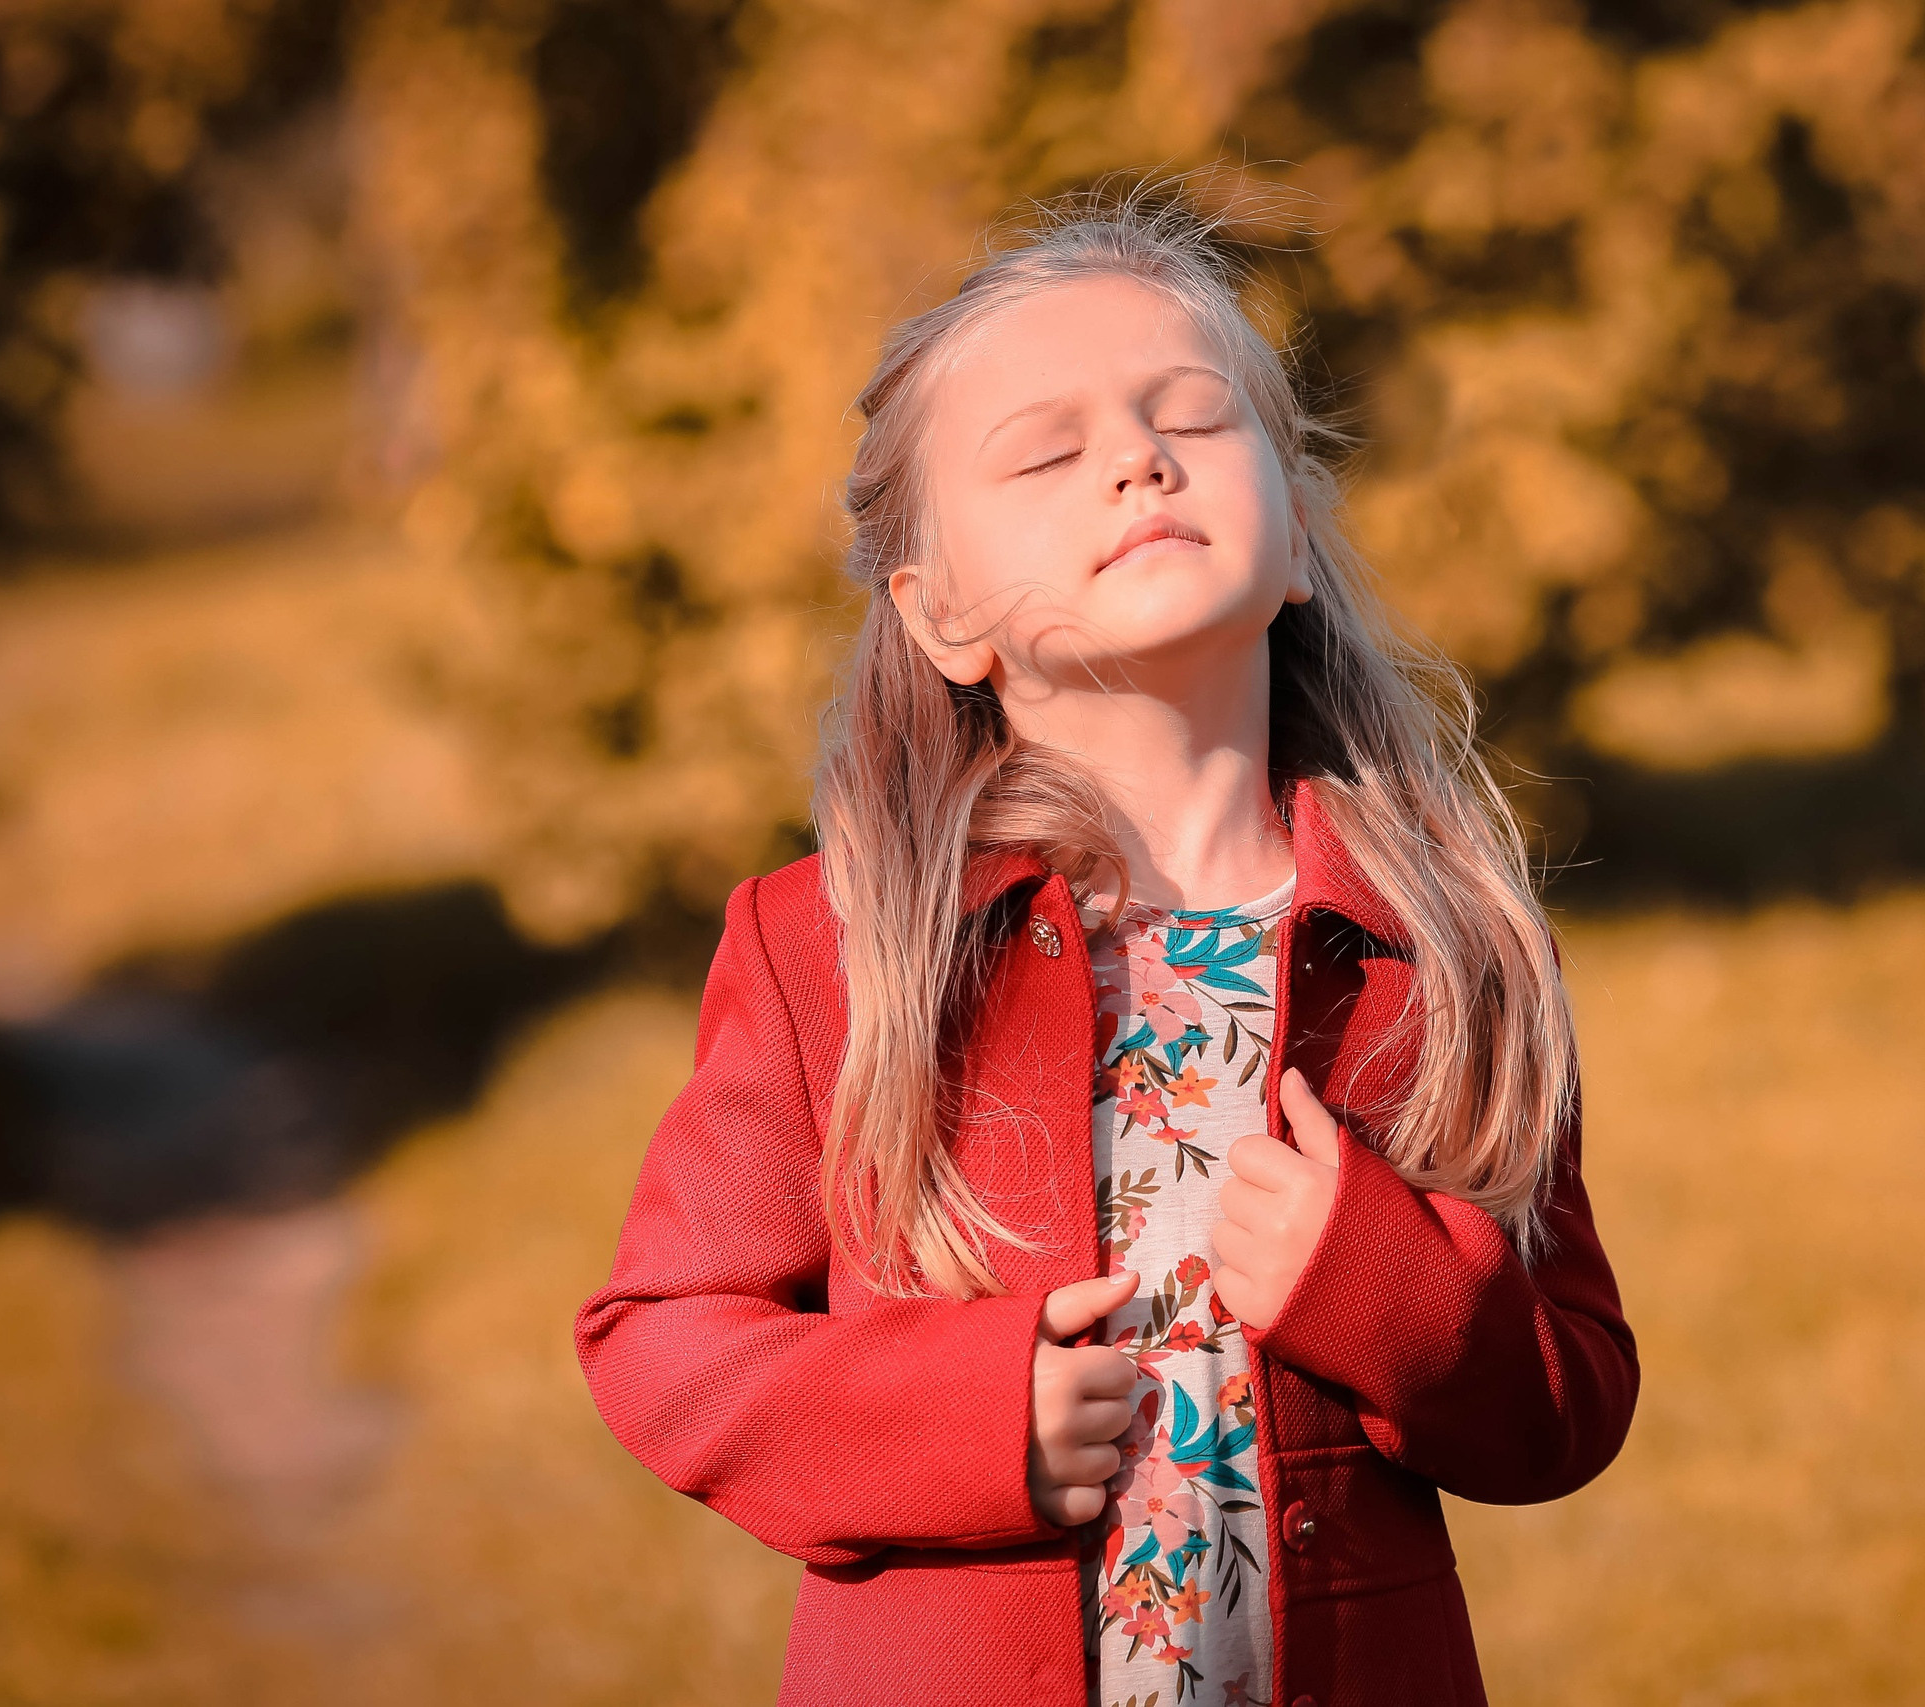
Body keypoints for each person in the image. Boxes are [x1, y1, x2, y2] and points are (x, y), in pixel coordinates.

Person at [573, 183, 1639, 1707]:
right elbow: (659, 1339)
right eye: (1047, 453)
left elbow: (1573, 1397)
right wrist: (961, 1415)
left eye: (1191, 420)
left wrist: (1381, 1285)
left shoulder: (1443, 944)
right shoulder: (841, 949)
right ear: (942, 616)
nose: (1138, 460)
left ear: (1293, 546)